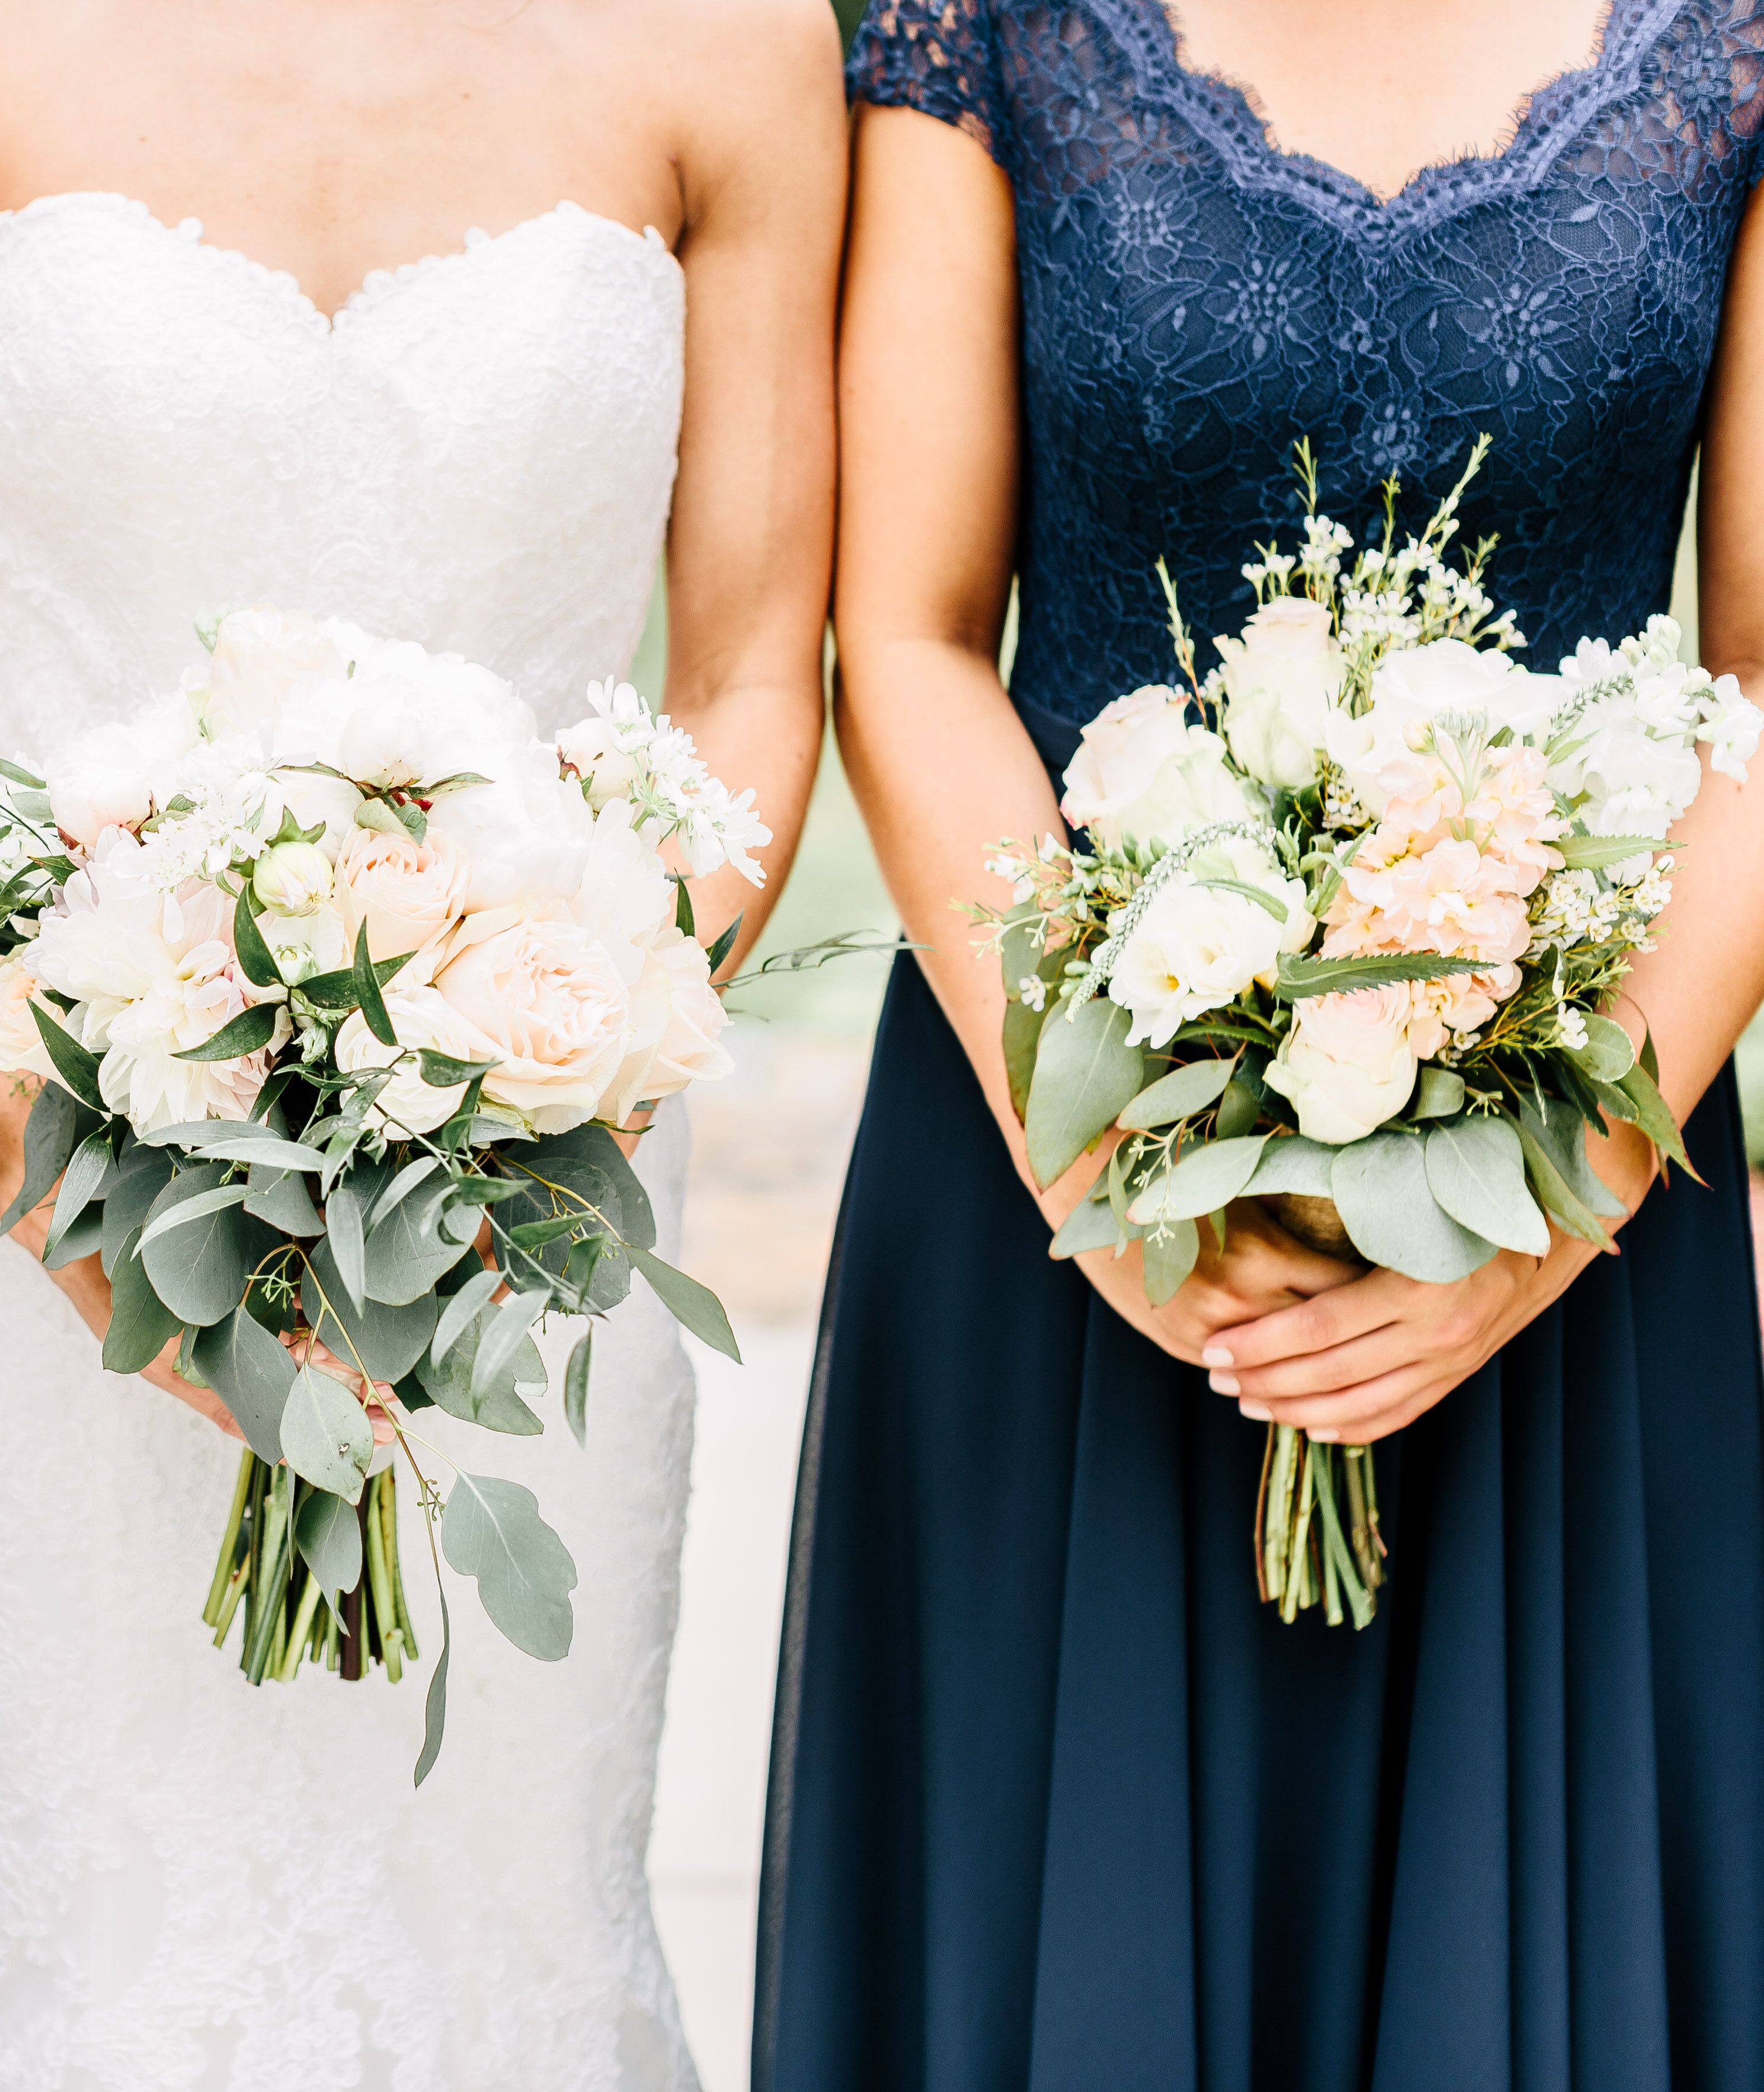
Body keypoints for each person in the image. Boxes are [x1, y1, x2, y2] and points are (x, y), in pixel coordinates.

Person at [0, 0, 842, 2082]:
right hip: (43, 1220)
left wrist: (526, 1088)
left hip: (532, 1239)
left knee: (503, 1936)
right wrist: (65, 1179)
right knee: (72, 1945)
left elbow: (765, 672)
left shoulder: (732, 44)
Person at [766, 0, 1764, 2082]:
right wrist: (1118, 1168)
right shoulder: (986, 28)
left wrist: (1547, 1211)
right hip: (1065, 1166)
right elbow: (914, 631)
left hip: (1575, 1176)